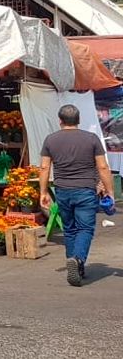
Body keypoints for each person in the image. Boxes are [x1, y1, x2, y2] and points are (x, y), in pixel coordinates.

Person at [39, 104, 114, 286]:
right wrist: (109, 191)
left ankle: (75, 266)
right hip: (86, 191)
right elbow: (103, 167)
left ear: (60, 121)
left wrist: (43, 192)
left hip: (63, 191)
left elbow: (44, 167)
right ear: (79, 120)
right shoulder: (92, 139)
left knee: (70, 229)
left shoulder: (51, 140)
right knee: (85, 229)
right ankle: (78, 259)